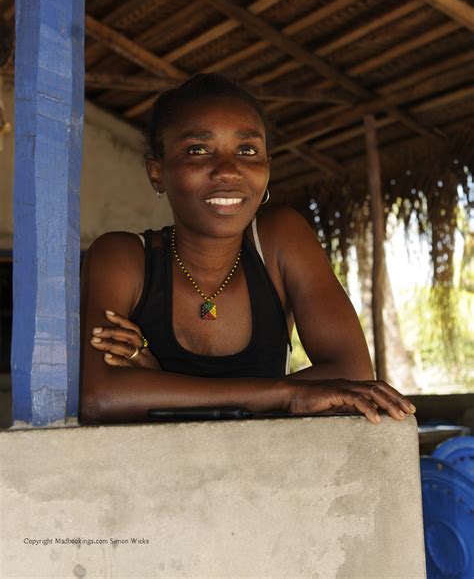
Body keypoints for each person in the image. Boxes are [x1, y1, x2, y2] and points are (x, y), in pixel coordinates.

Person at [80, 74, 416, 425]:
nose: (228, 170)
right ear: (157, 172)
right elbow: (101, 398)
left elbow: (353, 375)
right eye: (198, 150)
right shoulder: (122, 257)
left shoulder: (280, 240)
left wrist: (155, 382)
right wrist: (287, 395)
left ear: (267, 166)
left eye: (247, 150)